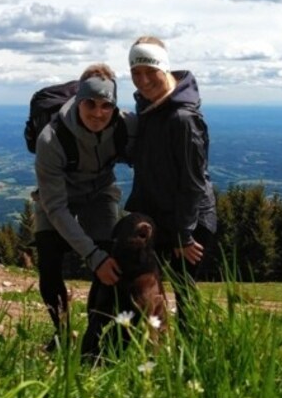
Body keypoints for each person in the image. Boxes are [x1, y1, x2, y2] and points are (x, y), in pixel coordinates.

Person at [33, 63, 135, 352]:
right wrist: (92, 256)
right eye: (90, 103)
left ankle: (95, 335)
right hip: (56, 198)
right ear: (78, 100)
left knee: (110, 261)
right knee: (49, 264)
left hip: (100, 192)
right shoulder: (51, 139)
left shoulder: (125, 125)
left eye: (106, 105)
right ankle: (61, 333)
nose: (98, 112)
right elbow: (55, 206)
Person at [125, 36, 217, 333]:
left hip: (188, 221)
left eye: (150, 70)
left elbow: (192, 183)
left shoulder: (182, 118)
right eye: (135, 72)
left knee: (184, 290)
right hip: (161, 216)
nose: (143, 80)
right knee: (149, 287)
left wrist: (184, 236)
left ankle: (192, 357)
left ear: (164, 68)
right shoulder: (150, 108)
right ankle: (156, 350)